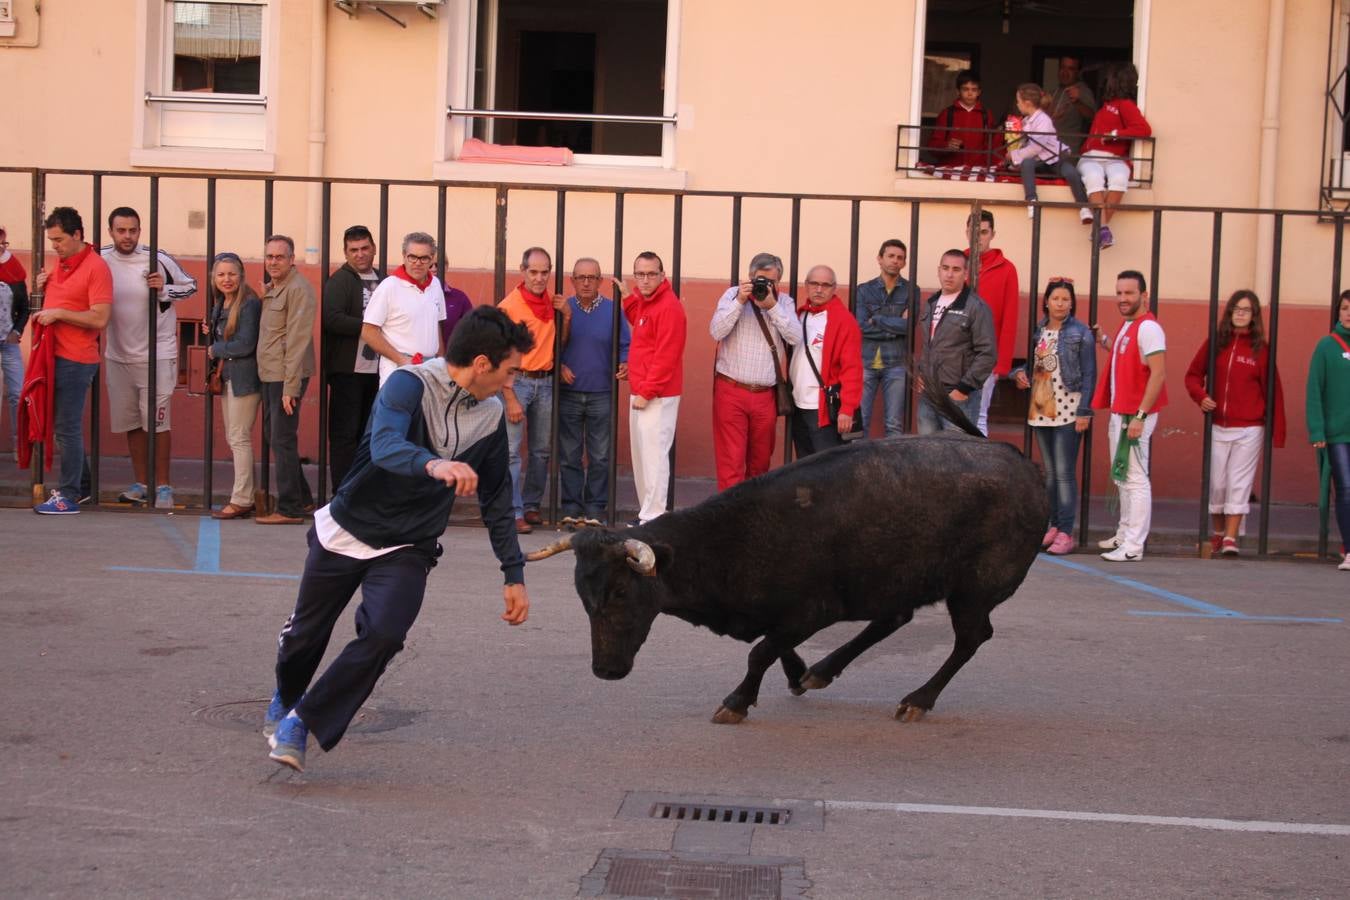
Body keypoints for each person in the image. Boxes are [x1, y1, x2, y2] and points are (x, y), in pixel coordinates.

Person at [265, 305, 534, 773]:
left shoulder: (490, 416)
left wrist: (513, 573)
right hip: (349, 529)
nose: (513, 382)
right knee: (304, 640)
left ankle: (301, 722)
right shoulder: (409, 384)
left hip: (410, 542)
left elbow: (497, 499)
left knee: (386, 634)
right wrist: (434, 464)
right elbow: (386, 445)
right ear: (484, 364)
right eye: (511, 370)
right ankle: (287, 695)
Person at [100, 207, 198, 509]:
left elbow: (191, 286)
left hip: (157, 354)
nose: (127, 236)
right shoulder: (100, 258)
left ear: (140, 231)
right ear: (111, 231)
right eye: (121, 230)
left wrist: (164, 290)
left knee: (157, 422)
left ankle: (164, 486)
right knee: (132, 422)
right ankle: (141, 483)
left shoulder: (158, 258)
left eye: (133, 230)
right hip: (118, 354)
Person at [1184, 290, 1286, 557]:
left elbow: (1273, 390)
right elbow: (1193, 376)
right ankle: (1218, 534)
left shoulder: (1260, 349)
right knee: (1217, 483)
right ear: (1229, 313)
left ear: (1254, 316)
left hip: (1250, 427)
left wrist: (1277, 432)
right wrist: (1201, 397)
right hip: (1218, 424)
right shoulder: (1216, 343)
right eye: (1236, 309)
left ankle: (1231, 538)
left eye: (1246, 309)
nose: (1240, 314)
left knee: (1238, 482)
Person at [30, 207, 112, 515]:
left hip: (76, 359)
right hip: (55, 356)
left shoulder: (96, 267)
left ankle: (68, 494)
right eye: (52, 240)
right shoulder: (61, 264)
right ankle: (84, 487)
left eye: (59, 239)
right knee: (61, 427)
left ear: (77, 235)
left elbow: (101, 318)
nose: (55, 246)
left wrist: (60, 313)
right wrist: (43, 288)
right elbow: (60, 300)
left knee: (66, 427)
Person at [1013, 278, 1095, 555]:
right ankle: (1052, 526)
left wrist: (1084, 411)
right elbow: (1034, 364)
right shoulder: (1040, 331)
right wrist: (1019, 374)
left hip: (1068, 410)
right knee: (1049, 474)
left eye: (1065, 299)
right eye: (1055, 298)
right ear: (1046, 301)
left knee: (1064, 474)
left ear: (1072, 303)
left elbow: (1089, 375)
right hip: (1041, 409)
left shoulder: (1080, 333)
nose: (1060, 304)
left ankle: (1066, 532)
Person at [1092, 270, 1167, 562]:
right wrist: (1105, 340)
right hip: (1122, 411)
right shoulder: (1130, 326)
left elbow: (1158, 373)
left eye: (1129, 293)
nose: (1123, 299)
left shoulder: (1149, 328)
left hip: (1134, 414)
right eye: (1119, 293)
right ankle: (1124, 535)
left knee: (1135, 478)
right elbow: (1126, 355)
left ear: (1143, 296)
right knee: (1122, 476)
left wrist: (1140, 416)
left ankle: (1134, 546)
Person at [709, 251, 800, 489]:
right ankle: (729, 518)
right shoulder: (732, 295)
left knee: (760, 463)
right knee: (732, 461)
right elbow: (716, 332)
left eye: (770, 281)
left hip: (765, 395)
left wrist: (772, 307)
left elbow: (795, 337)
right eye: (760, 280)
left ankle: (751, 516)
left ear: (778, 281)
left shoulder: (785, 302)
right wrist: (740, 300)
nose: (764, 285)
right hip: (731, 390)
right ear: (749, 277)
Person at [497, 247, 569, 533]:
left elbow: (559, 345)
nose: (539, 278)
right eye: (534, 272)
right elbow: (501, 353)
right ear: (523, 271)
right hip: (518, 382)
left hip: (546, 381)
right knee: (512, 452)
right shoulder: (510, 306)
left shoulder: (552, 304)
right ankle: (513, 511)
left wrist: (568, 317)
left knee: (541, 450)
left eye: (544, 272)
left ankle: (531, 505)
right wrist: (509, 394)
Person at [558, 257, 629, 527]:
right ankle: (572, 507)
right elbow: (552, 345)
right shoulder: (565, 309)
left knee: (600, 454)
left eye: (592, 277)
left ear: (600, 281)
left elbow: (625, 343)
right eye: (580, 277)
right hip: (569, 392)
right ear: (572, 280)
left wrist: (625, 361)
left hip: (602, 391)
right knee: (569, 454)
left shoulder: (613, 310)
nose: (586, 282)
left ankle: (596, 507)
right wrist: (559, 364)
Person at [256, 235, 317, 525]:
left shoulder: (299, 289)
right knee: (275, 436)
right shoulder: (277, 287)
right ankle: (303, 499)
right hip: (271, 374)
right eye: (269, 256)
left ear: (292, 259)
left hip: (285, 376)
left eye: (280, 257)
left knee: (282, 438)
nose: (273, 262)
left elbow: (297, 341)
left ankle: (290, 507)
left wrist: (289, 388)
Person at [623, 251, 686, 525]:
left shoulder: (668, 306)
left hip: (656, 396)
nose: (645, 279)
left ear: (662, 275)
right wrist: (628, 297)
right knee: (643, 458)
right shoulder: (647, 303)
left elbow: (666, 355)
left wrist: (647, 391)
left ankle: (654, 517)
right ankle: (647, 515)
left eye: (651, 274)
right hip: (643, 393)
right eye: (640, 274)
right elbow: (640, 320)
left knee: (654, 458)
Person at [322, 225, 384, 491]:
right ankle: (342, 492)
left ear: (373, 249)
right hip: (348, 372)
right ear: (345, 252)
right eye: (354, 250)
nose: (360, 254)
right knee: (344, 436)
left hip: (378, 370)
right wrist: (368, 327)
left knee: (369, 434)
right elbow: (332, 319)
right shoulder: (339, 281)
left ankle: (363, 491)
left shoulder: (384, 279)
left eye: (364, 248)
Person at [205, 253, 263, 519]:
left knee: (239, 438)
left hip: (245, 379)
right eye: (221, 275)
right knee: (234, 437)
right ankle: (244, 495)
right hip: (228, 377)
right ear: (213, 279)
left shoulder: (249, 303)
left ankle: (242, 499)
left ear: (241, 276)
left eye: (231, 274)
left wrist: (215, 347)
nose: (226, 279)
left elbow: (246, 344)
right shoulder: (221, 302)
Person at [916, 250, 995, 435]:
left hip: (959, 395)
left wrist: (963, 388)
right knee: (927, 453)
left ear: (966, 274)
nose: (949, 274)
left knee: (957, 455)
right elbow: (929, 344)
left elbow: (987, 353)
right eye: (945, 268)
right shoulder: (931, 303)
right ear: (938, 271)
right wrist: (922, 372)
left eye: (956, 269)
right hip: (930, 392)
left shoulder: (976, 307)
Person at [1078, 63, 1152, 250]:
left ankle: (1099, 228)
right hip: (1091, 156)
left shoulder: (1125, 105)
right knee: (1094, 177)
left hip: (1115, 157)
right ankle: (1102, 228)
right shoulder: (1107, 105)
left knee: (1119, 179)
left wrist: (1114, 134)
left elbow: (1143, 129)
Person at [789, 265, 862, 457]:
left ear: (834, 288)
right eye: (814, 283)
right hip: (797, 405)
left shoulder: (843, 321)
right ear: (806, 285)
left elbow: (852, 369)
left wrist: (847, 409)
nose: (819, 289)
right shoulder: (799, 315)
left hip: (824, 409)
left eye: (825, 285)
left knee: (829, 470)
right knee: (804, 466)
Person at [361, 232, 445, 387]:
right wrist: (401, 360)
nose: (417, 263)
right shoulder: (389, 286)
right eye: (412, 257)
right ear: (404, 256)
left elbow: (436, 325)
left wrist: (441, 361)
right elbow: (368, 331)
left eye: (424, 258)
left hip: (430, 370)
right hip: (398, 370)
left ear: (432, 258)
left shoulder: (435, 285)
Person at [1305, 290, 1350, 571]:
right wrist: (1317, 430)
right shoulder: (1326, 346)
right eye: (1345, 308)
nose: (1349, 313)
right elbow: (1314, 390)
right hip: (1338, 434)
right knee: (1346, 488)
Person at [1006, 83, 1092, 225]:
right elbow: (1025, 143)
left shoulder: (1043, 120)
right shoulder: (1027, 120)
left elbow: (1036, 147)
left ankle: (1083, 207)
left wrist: (1015, 155)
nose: (1017, 104)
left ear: (1027, 104)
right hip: (1039, 161)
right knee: (1027, 164)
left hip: (1053, 158)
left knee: (1071, 172)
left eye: (1018, 101)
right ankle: (1032, 200)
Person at [965, 212, 1018, 436]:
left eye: (984, 232)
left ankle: (979, 470)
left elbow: (1010, 317)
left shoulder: (1006, 268)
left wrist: (1002, 363)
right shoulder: (958, 262)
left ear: (992, 234)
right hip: (956, 354)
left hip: (987, 356)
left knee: (979, 416)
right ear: (966, 232)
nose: (978, 238)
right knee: (954, 414)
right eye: (974, 232)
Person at [854, 239, 911, 438]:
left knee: (894, 425)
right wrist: (896, 326)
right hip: (867, 362)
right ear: (880, 259)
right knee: (861, 422)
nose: (895, 261)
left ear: (904, 263)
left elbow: (910, 327)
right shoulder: (863, 290)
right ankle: (860, 467)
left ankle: (892, 469)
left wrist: (876, 319)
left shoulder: (912, 291)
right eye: (891, 256)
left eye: (900, 258)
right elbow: (860, 326)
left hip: (896, 364)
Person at [926, 70, 997, 168]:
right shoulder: (947, 114)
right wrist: (946, 146)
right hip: (949, 169)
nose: (970, 93)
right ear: (958, 91)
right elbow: (932, 146)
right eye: (965, 89)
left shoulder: (986, 115)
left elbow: (992, 146)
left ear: (979, 92)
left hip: (977, 170)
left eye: (974, 89)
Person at [0, 226, 29, 454]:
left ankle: (21, 444)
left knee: (18, 393)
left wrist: (17, 331)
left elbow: (25, 308)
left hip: (8, 342)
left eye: (2, 240)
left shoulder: (14, 269)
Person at [1044, 55, 1097, 147]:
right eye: (1062, 67)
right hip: (1049, 148)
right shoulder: (1054, 92)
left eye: (1070, 69)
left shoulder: (1083, 91)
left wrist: (1078, 102)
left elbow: (1093, 117)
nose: (1065, 72)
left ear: (1077, 72)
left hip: (1070, 149)